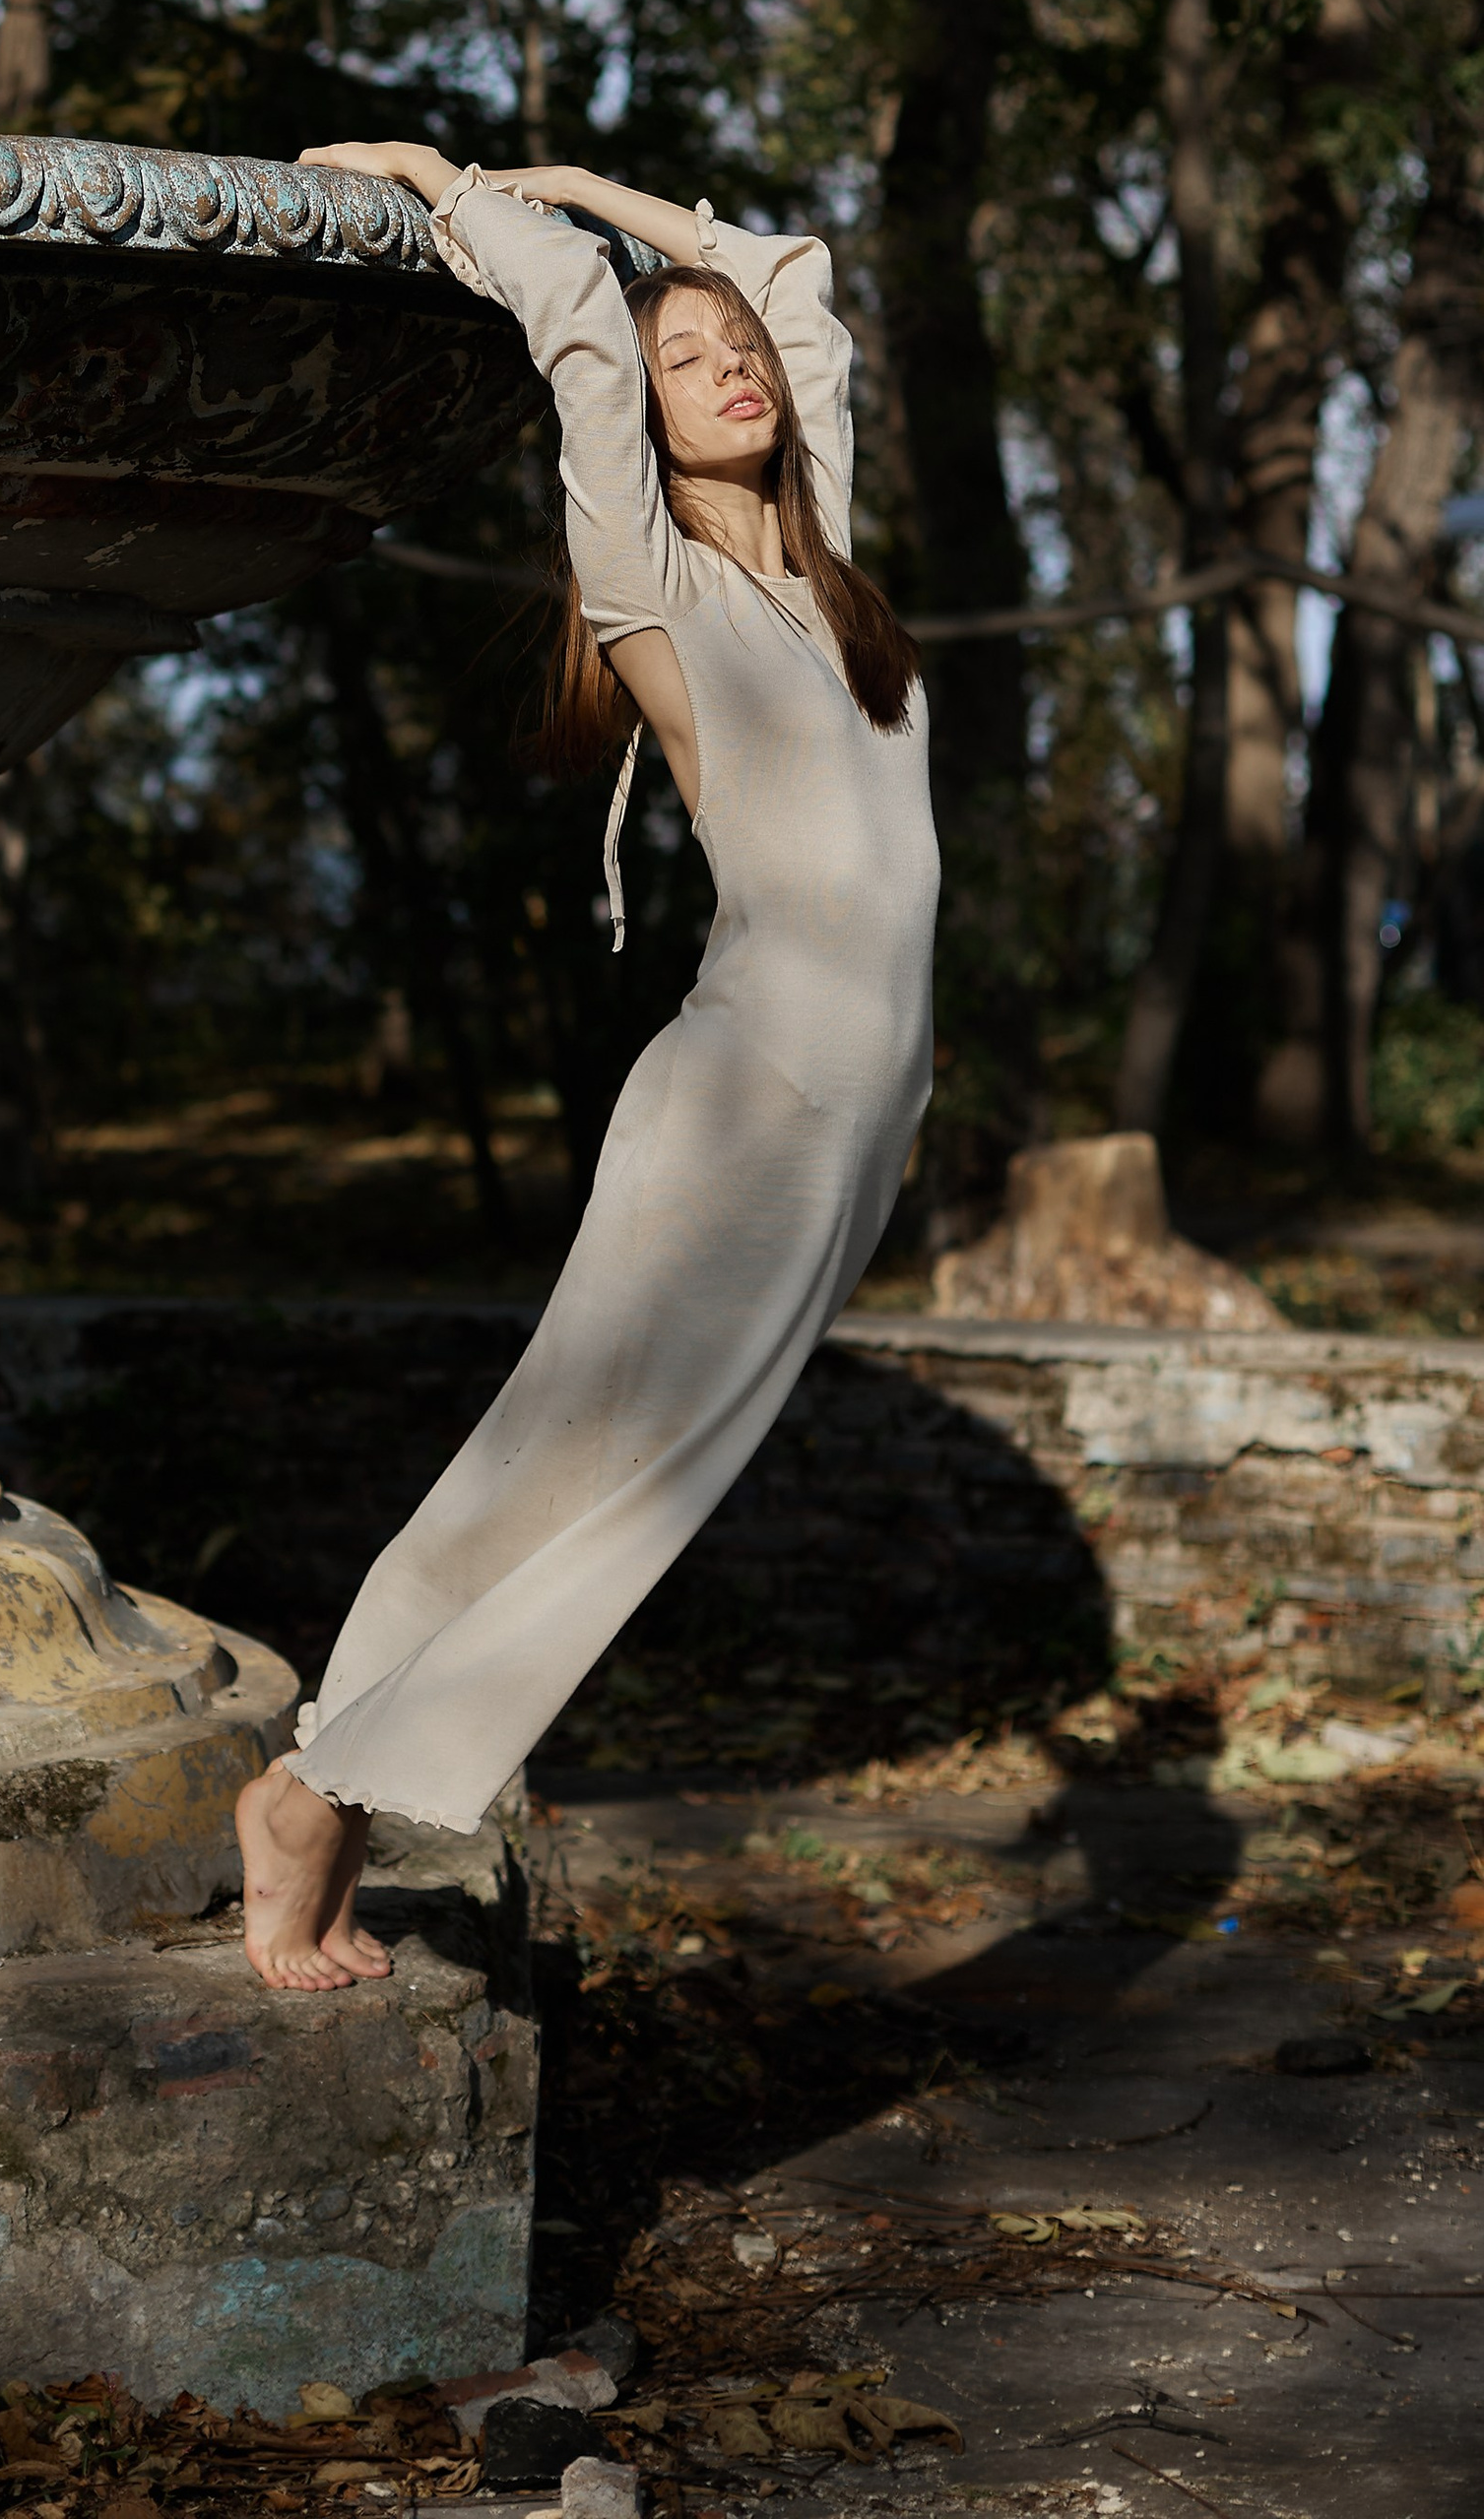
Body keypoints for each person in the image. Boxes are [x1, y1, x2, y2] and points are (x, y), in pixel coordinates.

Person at [233, 145, 939, 1991]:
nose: (731, 365)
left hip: (860, 1124)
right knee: (590, 1481)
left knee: (583, 1474)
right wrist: (456, 186)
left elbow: (802, 284)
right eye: (686, 355)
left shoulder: (827, 574)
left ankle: (330, 1786)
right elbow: (574, 330)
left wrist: (632, 207)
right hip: (748, 1109)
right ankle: (316, 1795)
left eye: (739, 357)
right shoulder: (656, 581)